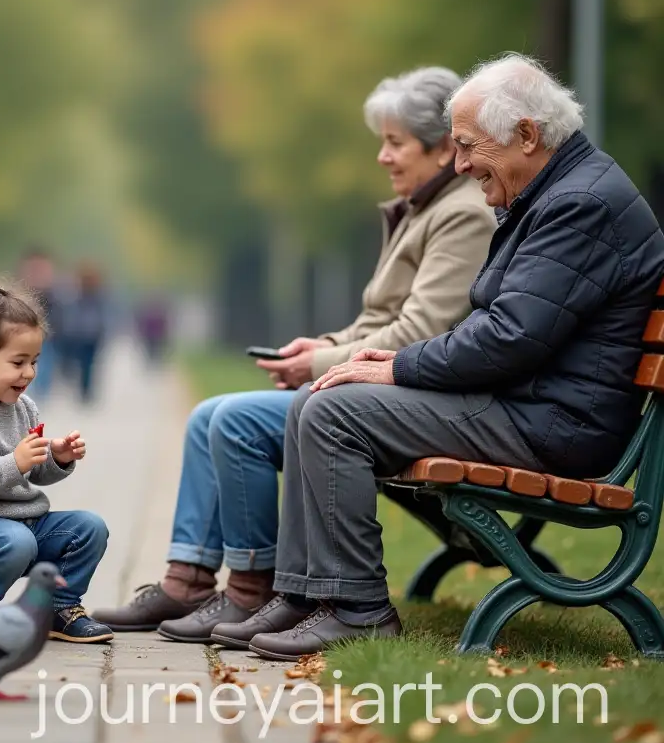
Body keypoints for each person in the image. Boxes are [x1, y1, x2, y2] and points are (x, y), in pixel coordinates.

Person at [248, 53, 664, 662]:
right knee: (322, 398)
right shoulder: (559, 191)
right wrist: (385, 362)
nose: (461, 162)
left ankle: (357, 607)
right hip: (534, 407)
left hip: (557, 427)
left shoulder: (580, 203)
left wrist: (395, 366)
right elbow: (507, 331)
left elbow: (508, 337)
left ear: (526, 135)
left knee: (336, 412)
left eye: (469, 146)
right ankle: (308, 593)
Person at [92, 66, 496, 643]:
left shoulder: (460, 215)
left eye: (395, 143)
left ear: (439, 150)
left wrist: (314, 367)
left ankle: (250, 591)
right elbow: (377, 322)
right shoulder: (422, 209)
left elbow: (417, 332)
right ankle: (187, 582)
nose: (382, 157)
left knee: (233, 422)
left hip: (408, 397)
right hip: (382, 387)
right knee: (210, 413)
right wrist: (324, 347)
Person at [0, 276, 113, 643]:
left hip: (24, 526)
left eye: (35, 361)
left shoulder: (23, 406)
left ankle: (58, 607)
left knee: (89, 527)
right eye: (18, 362)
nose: (29, 373)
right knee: (17, 541)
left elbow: (34, 474)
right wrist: (17, 461)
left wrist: (55, 458)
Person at [17, 248, 64, 401]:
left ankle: (41, 394)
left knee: (45, 362)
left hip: (47, 334)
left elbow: (59, 312)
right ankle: (32, 391)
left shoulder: (53, 293)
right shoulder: (22, 292)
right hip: (26, 332)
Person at [63, 262, 109, 403]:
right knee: (87, 363)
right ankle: (86, 389)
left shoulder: (92, 296)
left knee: (85, 363)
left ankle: (85, 389)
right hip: (89, 333)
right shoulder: (86, 295)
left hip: (86, 334)